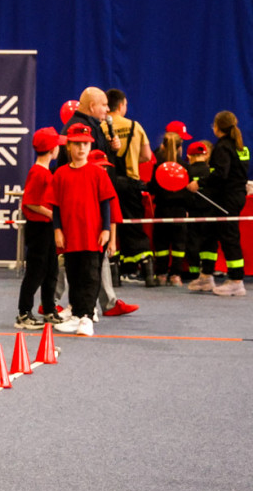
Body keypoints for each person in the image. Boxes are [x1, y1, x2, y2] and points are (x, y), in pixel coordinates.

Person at [49, 124, 116, 337]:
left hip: (92, 234)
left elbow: (106, 203)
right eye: (77, 144)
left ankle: (87, 316)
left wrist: (106, 229)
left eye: (85, 144)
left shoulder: (98, 173)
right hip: (70, 235)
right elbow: (56, 206)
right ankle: (77, 313)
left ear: (90, 146)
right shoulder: (60, 174)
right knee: (73, 274)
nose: (81, 148)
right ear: (69, 146)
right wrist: (57, 229)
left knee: (90, 275)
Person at [187, 111, 248, 296]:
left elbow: (221, 173)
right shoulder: (238, 146)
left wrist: (200, 183)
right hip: (227, 197)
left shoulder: (223, 147)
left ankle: (236, 281)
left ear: (217, 127)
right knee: (210, 234)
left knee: (229, 237)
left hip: (228, 199)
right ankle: (206, 276)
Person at [16, 127, 65, 329]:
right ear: (52, 149)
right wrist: (51, 214)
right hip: (39, 228)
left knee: (51, 269)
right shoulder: (38, 173)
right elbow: (29, 202)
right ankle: (24, 313)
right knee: (36, 271)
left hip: (47, 228)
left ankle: (49, 308)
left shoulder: (45, 172)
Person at [104, 89, 154, 283]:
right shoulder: (135, 126)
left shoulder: (100, 127)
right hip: (132, 182)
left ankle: (113, 272)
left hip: (108, 183)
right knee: (133, 225)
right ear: (122, 104)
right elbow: (147, 156)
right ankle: (147, 270)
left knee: (108, 224)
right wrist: (131, 159)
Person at [149, 130, 189, 286]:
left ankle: (161, 274)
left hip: (162, 210)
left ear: (163, 146)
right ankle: (176, 275)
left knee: (161, 245)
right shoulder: (184, 166)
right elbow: (188, 190)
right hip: (179, 210)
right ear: (180, 147)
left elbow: (152, 188)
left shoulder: (158, 165)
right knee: (179, 244)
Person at [183, 141, 213, 281]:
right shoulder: (210, 172)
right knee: (208, 241)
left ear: (189, 156)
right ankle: (207, 270)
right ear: (205, 155)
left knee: (193, 240)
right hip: (209, 212)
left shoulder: (187, 171)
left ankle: (194, 270)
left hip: (193, 211)